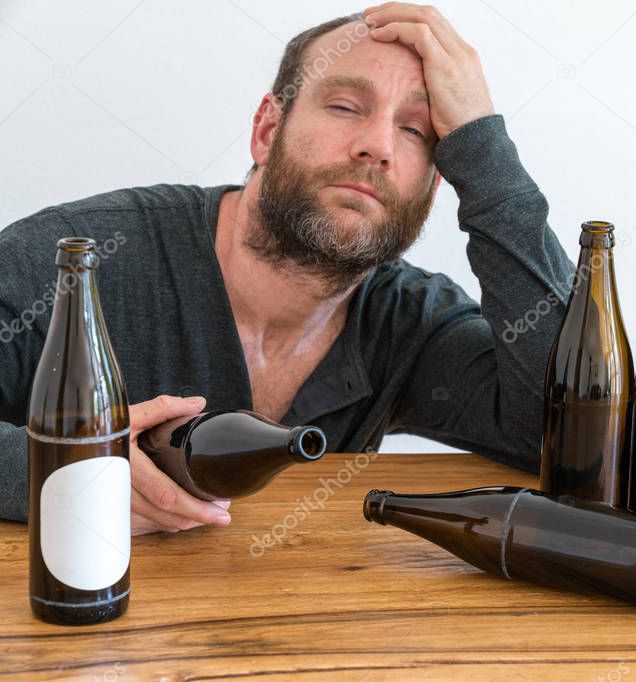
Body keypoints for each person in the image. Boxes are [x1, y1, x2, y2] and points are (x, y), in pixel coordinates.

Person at [0, 4, 573, 535]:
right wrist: (60, 469)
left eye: (416, 130)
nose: (378, 146)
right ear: (267, 131)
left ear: (437, 178)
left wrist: (486, 152)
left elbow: (568, 437)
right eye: (346, 106)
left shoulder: (410, 324)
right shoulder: (71, 264)